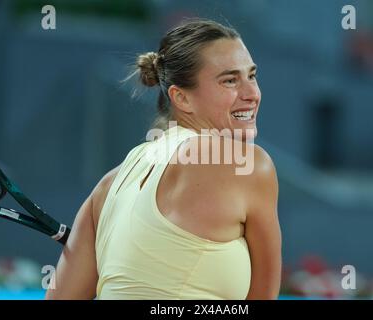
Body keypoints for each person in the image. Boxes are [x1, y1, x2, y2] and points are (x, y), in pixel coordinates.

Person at [45, 18, 282, 300]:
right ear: (181, 98)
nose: (252, 94)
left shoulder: (108, 186)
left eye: (251, 76)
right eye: (230, 80)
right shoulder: (247, 164)